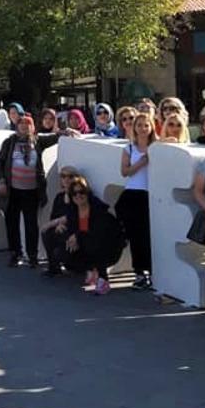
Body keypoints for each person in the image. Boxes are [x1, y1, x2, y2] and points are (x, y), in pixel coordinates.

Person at [0, 113, 46, 267]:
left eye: (28, 123)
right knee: (12, 222)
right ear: (17, 126)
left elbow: (55, 136)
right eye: (21, 123)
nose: (24, 126)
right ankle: (16, 253)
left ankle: (33, 256)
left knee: (31, 224)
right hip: (12, 190)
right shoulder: (9, 142)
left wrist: (65, 132)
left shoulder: (38, 141)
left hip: (32, 191)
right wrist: (1, 182)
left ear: (32, 127)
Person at [60, 178, 125, 295]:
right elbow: (72, 230)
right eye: (74, 193)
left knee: (91, 242)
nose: (78, 196)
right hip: (87, 245)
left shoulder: (98, 209)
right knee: (63, 248)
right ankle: (90, 269)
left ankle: (103, 279)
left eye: (81, 192)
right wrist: (68, 234)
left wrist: (77, 235)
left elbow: (99, 233)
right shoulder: (73, 211)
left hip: (109, 248)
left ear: (87, 193)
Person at [116, 107, 154, 289]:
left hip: (151, 195)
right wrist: (140, 163)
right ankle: (140, 272)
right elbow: (124, 172)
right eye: (139, 125)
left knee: (150, 235)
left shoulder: (156, 147)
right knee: (137, 236)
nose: (142, 128)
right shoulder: (129, 148)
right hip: (133, 194)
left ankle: (153, 271)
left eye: (146, 125)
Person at [40, 165, 80, 276]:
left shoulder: (80, 195)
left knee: (59, 251)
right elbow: (53, 216)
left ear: (77, 179)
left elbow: (75, 216)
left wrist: (56, 222)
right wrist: (57, 225)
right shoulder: (59, 197)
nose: (66, 179)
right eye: (63, 176)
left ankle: (71, 262)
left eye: (70, 176)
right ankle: (54, 267)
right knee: (47, 233)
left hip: (76, 232)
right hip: (62, 231)